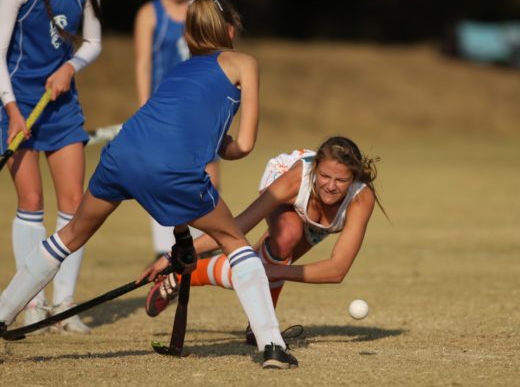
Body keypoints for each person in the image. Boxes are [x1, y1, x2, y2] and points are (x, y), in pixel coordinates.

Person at [0, 0, 297, 370]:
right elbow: (245, 145)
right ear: (229, 30)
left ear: (188, 35)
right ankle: (272, 346)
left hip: (121, 155)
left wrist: (203, 142)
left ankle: (3, 314)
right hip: (171, 169)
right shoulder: (244, 63)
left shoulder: (179, 71)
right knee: (235, 242)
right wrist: (222, 144)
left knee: (70, 234)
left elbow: (166, 127)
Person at [143, 136, 385, 345]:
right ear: (315, 169)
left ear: (353, 178)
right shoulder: (296, 179)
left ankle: (188, 280)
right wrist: (175, 254)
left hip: (314, 220)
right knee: (287, 236)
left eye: (341, 180)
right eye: (324, 176)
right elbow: (238, 227)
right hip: (282, 176)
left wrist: (267, 271)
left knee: (266, 264)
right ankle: (260, 324)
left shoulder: (360, 197)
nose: (330, 186)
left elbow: (337, 270)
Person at [0, 0, 102, 333]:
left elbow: (94, 42)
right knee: (31, 200)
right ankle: (33, 303)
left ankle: (64, 305)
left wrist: (70, 67)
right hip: (16, 104)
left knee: (74, 201)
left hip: (61, 105)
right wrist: (11, 110)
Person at [134, 0, 221, 259]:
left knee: (209, 173)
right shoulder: (150, 14)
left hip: (201, 107)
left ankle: (205, 244)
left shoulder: (204, 8)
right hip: (166, 110)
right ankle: (165, 249)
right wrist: (145, 108)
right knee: (164, 175)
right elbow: (143, 64)